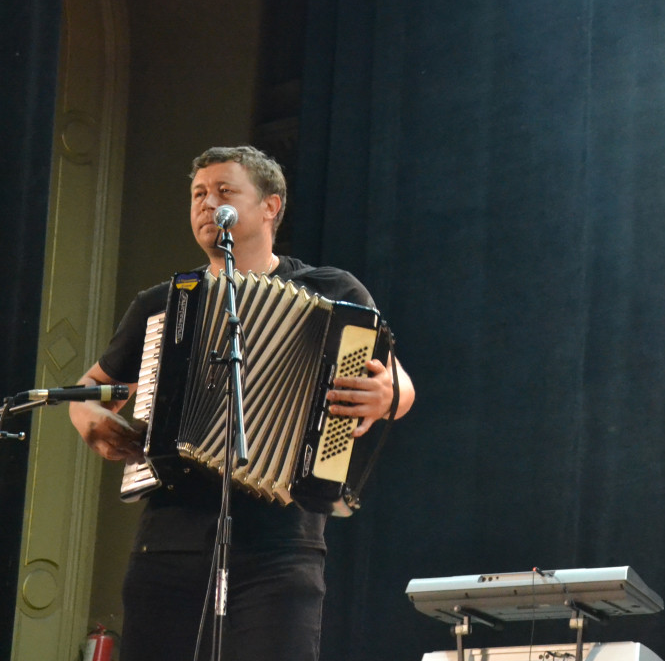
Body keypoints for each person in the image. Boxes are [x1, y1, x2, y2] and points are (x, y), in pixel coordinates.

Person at [70, 145, 415, 660]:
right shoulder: (162, 304)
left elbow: (399, 383)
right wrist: (91, 421)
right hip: (169, 542)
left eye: (224, 191)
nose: (207, 204)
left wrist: (387, 395)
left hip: (281, 545)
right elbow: (87, 392)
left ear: (270, 206)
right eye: (198, 194)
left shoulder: (331, 290)